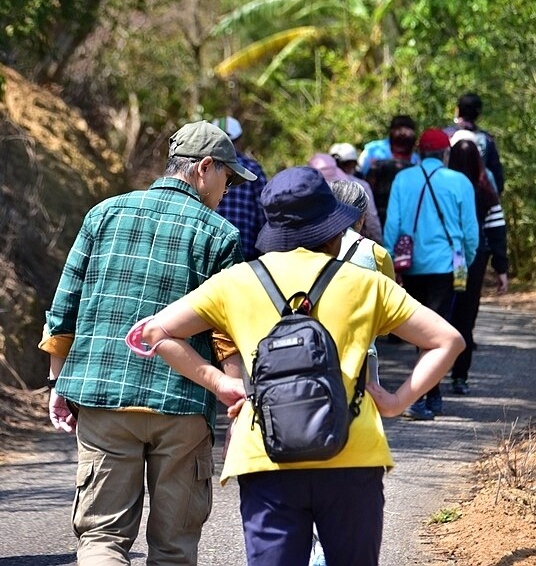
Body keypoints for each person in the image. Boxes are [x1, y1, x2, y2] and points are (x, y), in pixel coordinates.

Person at [126, 166, 465, 566]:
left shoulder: (235, 282)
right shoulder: (366, 284)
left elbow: (153, 333)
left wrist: (219, 382)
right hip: (351, 454)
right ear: (332, 227)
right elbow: (448, 340)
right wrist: (394, 402)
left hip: (264, 453)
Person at [38, 120, 257, 566]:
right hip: (179, 406)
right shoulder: (221, 235)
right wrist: (237, 401)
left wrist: (59, 381)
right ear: (204, 167)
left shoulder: (103, 214)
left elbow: (65, 306)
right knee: (174, 549)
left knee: (101, 540)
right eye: (228, 178)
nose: (229, 189)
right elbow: (225, 331)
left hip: (102, 396)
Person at [384, 128, 478, 420]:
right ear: (445, 153)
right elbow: (470, 232)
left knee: (421, 332)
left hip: (411, 265)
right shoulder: (459, 181)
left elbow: (392, 225)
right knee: (436, 331)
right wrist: (466, 261)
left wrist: (390, 265)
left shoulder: (403, 179)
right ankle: (425, 396)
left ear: (419, 153)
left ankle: (429, 394)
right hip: (445, 266)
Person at [448, 138, 509, 394]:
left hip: (445, 258)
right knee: (466, 317)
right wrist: (501, 269)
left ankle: (431, 378)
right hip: (473, 262)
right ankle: (460, 377)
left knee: (440, 313)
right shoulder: (486, 192)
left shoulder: (444, 189)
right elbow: (497, 231)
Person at [212, 116, 268, 261]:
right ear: (240, 140)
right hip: (245, 254)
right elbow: (264, 214)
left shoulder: (203, 168)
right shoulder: (253, 169)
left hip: (207, 251)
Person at [314, 147, 383, 245]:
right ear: (353, 164)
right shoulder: (361, 185)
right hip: (354, 242)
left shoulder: (315, 185)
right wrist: (379, 241)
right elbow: (372, 219)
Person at [444, 92, 504, 193]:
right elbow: (496, 173)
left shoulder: (445, 135)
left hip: (448, 192)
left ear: (457, 110)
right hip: (477, 196)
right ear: (478, 114)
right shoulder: (487, 140)